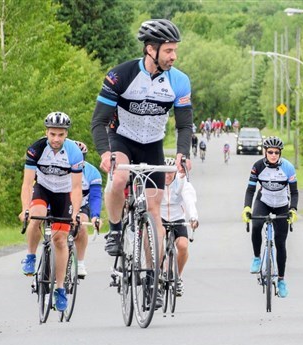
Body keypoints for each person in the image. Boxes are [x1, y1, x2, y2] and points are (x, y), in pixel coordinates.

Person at [90, 19, 193, 257]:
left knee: (154, 211)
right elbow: (99, 122)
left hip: (153, 145)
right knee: (119, 178)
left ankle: (151, 279)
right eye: (168, 50)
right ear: (150, 49)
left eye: (175, 50)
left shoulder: (179, 81)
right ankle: (115, 230)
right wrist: (105, 154)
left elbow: (185, 125)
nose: (174, 56)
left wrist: (182, 154)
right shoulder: (120, 75)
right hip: (122, 139)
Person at [19, 112, 83, 312]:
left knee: (60, 240)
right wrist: (25, 209)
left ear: (66, 135)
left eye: (60, 135)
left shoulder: (74, 152)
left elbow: (76, 187)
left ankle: (60, 288)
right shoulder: (36, 149)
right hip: (43, 189)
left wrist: (75, 213)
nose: (56, 139)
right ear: (46, 132)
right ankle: (30, 256)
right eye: (52, 134)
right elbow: (28, 183)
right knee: (36, 215)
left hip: (64, 194)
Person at [241, 137, 298, 298]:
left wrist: (293, 209)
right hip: (264, 200)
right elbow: (250, 190)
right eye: (270, 152)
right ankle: (257, 258)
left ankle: (281, 280)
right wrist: (246, 207)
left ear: (280, 153)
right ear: (265, 152)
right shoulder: (258, 166)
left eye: (276, 152)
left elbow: (294, 192)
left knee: (280, 243)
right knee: (257, 225)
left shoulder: (288, 167)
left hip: (281, 203)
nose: (273, 155)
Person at [160, 157, 199, 300]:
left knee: (183, 246)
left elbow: (190, 201)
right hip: (161, 218)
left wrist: (193, 217)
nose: (167, 176)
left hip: (178, 218)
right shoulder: (156, 183)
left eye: (171, 172)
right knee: (159, 237)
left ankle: (178, 276)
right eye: (165, 172)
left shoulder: (182, 183)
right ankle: (158, 273)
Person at [72, 141, 103, 278]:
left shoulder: (92, 172)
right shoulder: (61, 169)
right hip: (62, 202)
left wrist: (95, 216)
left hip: (81, 205)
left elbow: (95, 197)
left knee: (82, 224)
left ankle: (80, 262)